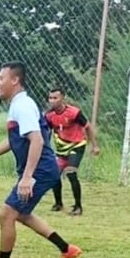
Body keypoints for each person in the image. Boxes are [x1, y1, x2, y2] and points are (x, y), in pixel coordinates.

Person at [0, 62, 82, 258]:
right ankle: (67, 249)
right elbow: (13, 141)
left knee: (7, 213)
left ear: (15, 80)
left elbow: (36, 140)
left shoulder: (23, 106)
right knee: (23, 214)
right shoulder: (18, 105)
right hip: (40, 169)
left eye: (1, 78)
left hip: (41, 170)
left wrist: (27, 178)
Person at [44, 87, 100, 216]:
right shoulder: (49, 115)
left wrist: (94, 146)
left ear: (62, 98)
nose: (52, 101)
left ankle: (78, 206)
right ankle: (58, 203)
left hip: (77, 145)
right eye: (50, 98)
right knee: (54, 174)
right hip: (61, 149)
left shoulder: (74, 112)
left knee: (70, 172)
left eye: (55, 98)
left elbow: (88, 127)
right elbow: (47, 131)